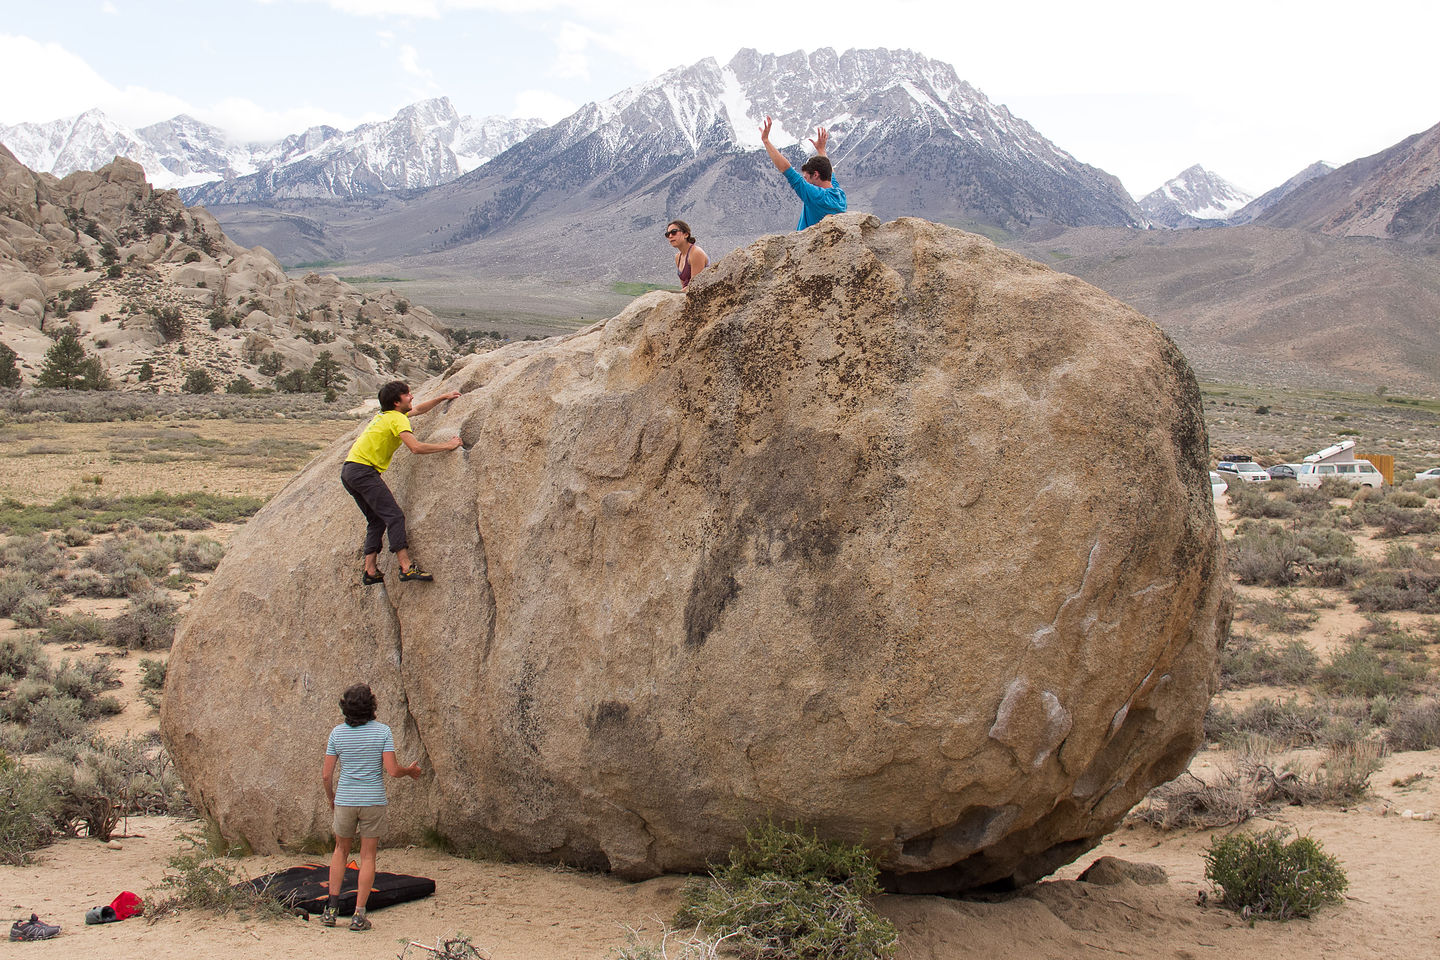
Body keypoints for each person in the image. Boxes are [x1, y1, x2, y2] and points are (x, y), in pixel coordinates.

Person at [320, 683, 422, 932]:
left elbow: (326, 775)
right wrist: (410, 771)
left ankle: (331, 909)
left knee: (340, 851)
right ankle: (358, 914)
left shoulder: (337, 734)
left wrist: (332, 798)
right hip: (373, 800)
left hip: (345, 798)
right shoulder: (382, 732)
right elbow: (392, 770)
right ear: (372, 707)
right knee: (367, 857)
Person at [341, 380, 461, 585]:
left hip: (349, 471)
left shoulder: (386, 415)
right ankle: (406, 567)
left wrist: (442, 397)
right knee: (394, 515)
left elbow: (419, 409)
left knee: (376, 520)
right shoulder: (397, 420)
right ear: (397, 402)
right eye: (407, 395)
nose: (412, 397)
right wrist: (448, 446)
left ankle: (370, 570)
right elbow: (416, 448)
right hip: (363, 471)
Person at [759, 118, 847, 231]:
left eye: (806, 177)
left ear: (815, 175)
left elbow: (788, 171)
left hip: (806, 244)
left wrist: (766, 140)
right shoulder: (839, 195)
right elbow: (831, 173)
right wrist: (821, 150)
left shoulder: (818, 196)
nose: (805, 181)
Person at [665, 220, 708, 289]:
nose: (670, 236)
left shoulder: (696, 253)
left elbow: (695, 286)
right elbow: (684, 285)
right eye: (667, 234)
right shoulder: (678, 257)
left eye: (674, 232)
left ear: (686, 234)